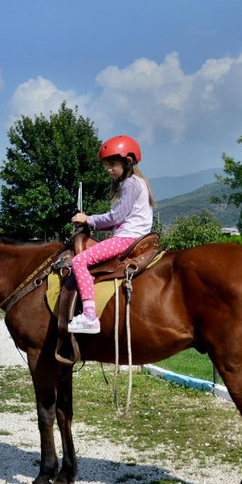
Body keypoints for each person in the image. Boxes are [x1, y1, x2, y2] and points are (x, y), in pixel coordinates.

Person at [68, 134, 155, 335]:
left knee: (79, 262)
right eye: (106, 165)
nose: (108, 169)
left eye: (113, 164)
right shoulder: (139, 182)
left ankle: (90, 316)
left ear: (128, 161)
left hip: (127, 239)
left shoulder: (131, 183)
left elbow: (117, 216)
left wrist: (87, 219)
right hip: (136, 236)